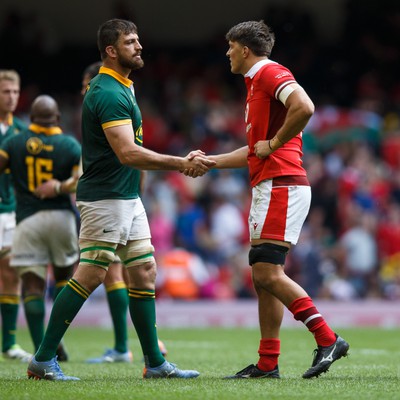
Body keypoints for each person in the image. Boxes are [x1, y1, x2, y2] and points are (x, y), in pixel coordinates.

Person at [27, 18, 214, 381]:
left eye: (138, 39)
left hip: (127, 196)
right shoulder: (109, 93)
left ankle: (155, 364)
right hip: (105, 198)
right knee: (93, 272)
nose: (139, 46)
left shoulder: (122, 86)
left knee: (144, 271)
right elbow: (128, 153)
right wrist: (180, 163)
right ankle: (43, 359)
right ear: (111, 50)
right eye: (130, 42)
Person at [189, 20, 349, 379]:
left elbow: (305, 107)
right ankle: (267, 363)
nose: (227, 54)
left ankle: (327, 338)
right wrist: (212, 161)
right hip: (272, 183)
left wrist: (275, 144)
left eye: (230, 47)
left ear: (245, 49)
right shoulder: (254, 85)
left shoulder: (268, 73)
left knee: (266, 271)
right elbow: (254, 150)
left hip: (282, 184)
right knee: (263, 277)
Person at [81, 61, 167, 363]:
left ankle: (147, 354)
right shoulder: (108, 99)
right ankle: (44, 357)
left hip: (121, 199)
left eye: (86, 84)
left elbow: (131, 154)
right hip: (112, 197)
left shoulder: (111, 96)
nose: (84, 91)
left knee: (136, 270)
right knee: (100, 273)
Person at [0, 94, 81, 361]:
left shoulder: (13, 142)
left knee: (32, 286)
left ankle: (40, 350)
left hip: (27, 219)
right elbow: (80, 179)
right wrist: (59, 187)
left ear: (31, 119)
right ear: (57, 118)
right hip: (62, 219)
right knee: (63, 279)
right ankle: (53, 339)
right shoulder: (70, 144)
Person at [0, 69, 32, 362]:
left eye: (14, 92)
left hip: (10, 212)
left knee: (11, 273)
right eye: (5, 92)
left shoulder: (23, 132)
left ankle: (9, 342)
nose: (11, 97)